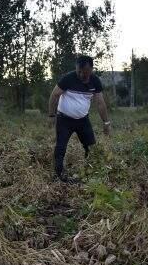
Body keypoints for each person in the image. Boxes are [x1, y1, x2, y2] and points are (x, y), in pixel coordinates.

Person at [47, 55, 111, 183]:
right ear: (76, 68)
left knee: (91, 148)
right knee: (60, 147)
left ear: (91, 69)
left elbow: (100, 103)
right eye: (79, 71)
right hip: (64, 120)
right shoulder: (68, 79)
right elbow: (54, 95)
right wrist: (51, 115)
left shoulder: (95, 81)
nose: (82, 75)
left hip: (83, 120)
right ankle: (59, 176)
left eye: (85, 72)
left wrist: (106, 122)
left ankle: (90, 173)